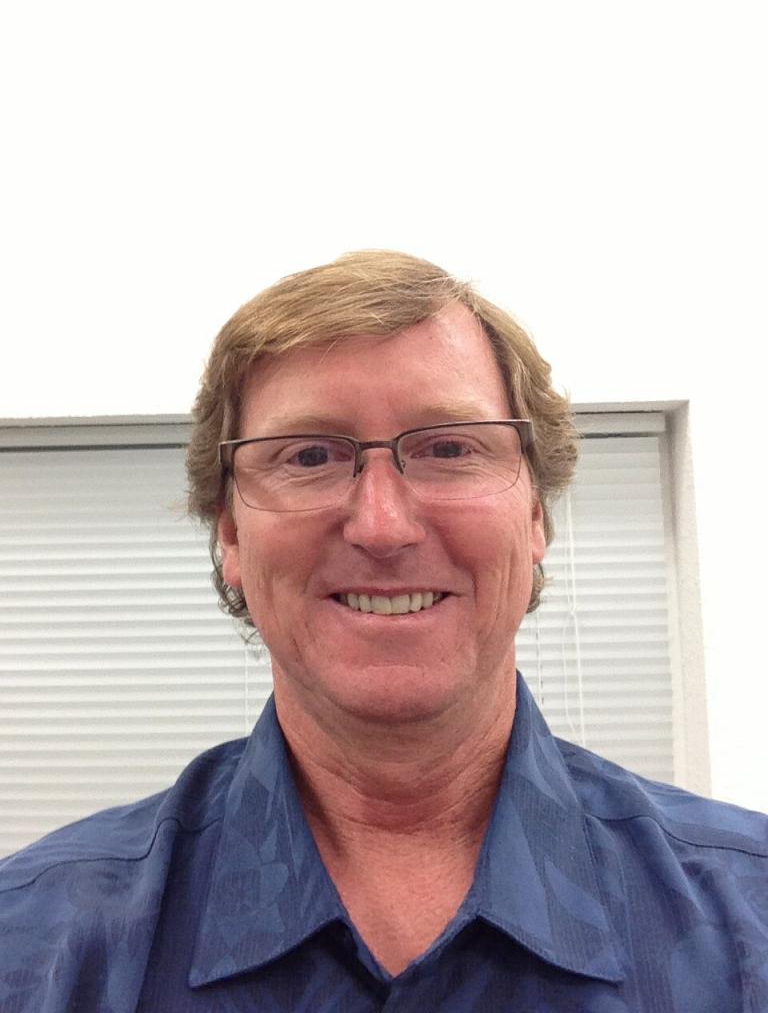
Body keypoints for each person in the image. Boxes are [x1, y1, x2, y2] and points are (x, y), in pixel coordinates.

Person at [1, 251, 766, 1012]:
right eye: (309, 456)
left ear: (536, 514)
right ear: (230, 532)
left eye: (449, 448)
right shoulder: (34, 947)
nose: (382, 526)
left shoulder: (750, 922)